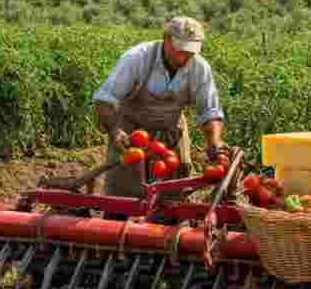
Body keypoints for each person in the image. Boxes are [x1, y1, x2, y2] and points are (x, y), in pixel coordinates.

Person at [91, 16, 227, 200]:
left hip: (170, 129)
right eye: (179, 50)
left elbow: (210, 112)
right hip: (132, 133)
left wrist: (214, 143)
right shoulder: (137, 58)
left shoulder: (200, 68)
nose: (183, 57)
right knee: (124, 193)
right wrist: (115, 131)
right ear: (166, 39)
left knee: (174, 191)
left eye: (190, 52)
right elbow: (104, 99)